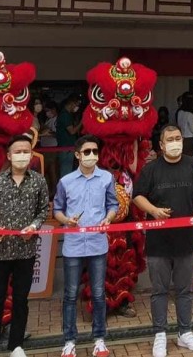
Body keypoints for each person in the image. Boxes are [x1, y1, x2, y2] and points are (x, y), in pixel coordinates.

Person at [133, 126, 193, 357]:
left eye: (178, 138)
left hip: (186, 239)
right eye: (170, 139)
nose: (175, 142)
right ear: (162, 145)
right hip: (158, 241)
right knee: (160, 290)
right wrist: (153, 211)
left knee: (185, 290)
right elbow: (137, 196)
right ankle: (160, 335)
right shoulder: (151, 169)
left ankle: (185, 332)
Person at [0, 135, 51, 357]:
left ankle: (16, 346)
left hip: (25, 250)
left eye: (26, 151)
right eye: (18, 152)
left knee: (21, 300)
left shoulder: (39, 181)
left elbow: (43, 210)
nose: (22, 155)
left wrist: (34, 225)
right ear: (9, 156)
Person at [53, 135, 120, 357]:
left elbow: (113, 204)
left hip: (97, 243)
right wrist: (66, 221)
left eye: (95, 151)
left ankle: (99, 340)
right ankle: (69, 341)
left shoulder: (107, 178)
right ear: (77, 154)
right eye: (87, 151)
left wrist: (108, 218)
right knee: (70, 294)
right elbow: (57, 209)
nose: (92, 155)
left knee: (99, 294)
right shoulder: (66, 181)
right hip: (73, 245)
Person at [57, 96, 83, 177]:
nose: (77, 107)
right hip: (66, 147)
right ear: (71, 103)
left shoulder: (68, 114)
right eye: (76, 105)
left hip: (67, 146)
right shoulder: (65, 115)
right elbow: (72, 131)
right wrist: (82, 122)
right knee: (66, 170)